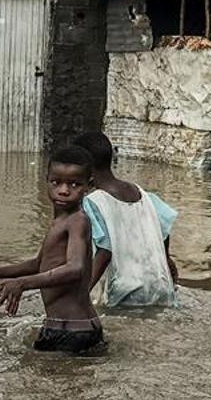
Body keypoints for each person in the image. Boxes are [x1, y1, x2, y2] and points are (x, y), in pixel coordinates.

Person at [0, 146, 104, 354]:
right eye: (56, 182)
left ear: (89, 185)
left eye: (74, 184)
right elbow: (37, 264)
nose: (63, 190)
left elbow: (76, 268)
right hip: (77, 327)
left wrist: (23, 284)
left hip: (70, 331)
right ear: (46, 180)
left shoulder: (77, 220)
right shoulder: (62, 220)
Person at [73, 131, 179, 308]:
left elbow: (104, 251)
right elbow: (165, 230)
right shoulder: (145, 196)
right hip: (161, 288)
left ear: (84, 169)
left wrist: (79, 297)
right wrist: (168, 262)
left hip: (123, 294)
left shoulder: (92, 203)